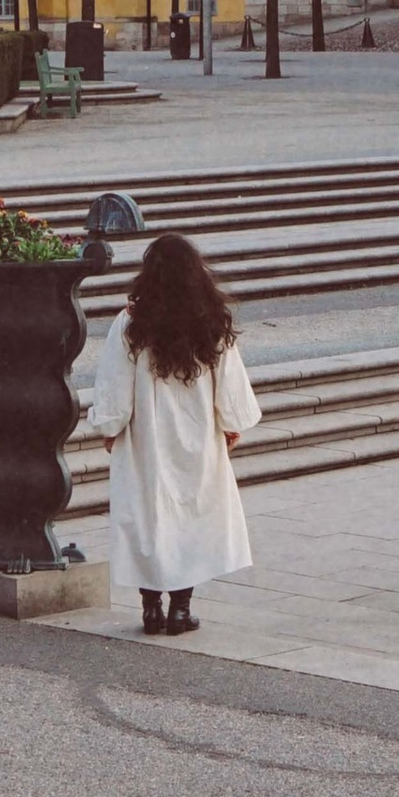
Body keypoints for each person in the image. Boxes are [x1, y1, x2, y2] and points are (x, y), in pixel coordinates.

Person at [83, 231, 260, 635]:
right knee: (190, 516)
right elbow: (229, 381)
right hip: (197, 434)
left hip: (146, 434)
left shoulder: (131, 322)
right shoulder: (211, 320)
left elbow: (114, 383)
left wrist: (110, 427)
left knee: (148, 516)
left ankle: (150, 609)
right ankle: (181, 609)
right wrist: (230, 424)